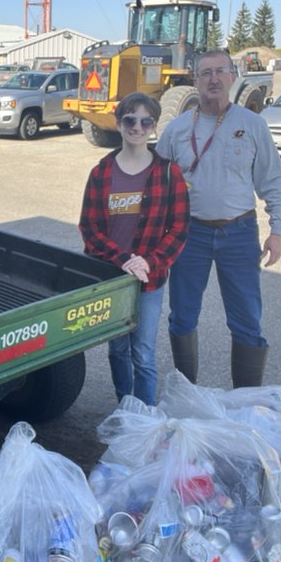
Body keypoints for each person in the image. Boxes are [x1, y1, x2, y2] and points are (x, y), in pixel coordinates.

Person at [155, 50, 281, 388]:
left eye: (220, 71)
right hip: (189, 234)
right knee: (182, 317)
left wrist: (278, 230)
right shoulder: (176, 129)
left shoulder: (252, 124)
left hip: (240, 232)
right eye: (205, 73)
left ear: (233, 76)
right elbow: (155, 184)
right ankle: (187, 393)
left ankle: (246, 401)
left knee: (246, 321)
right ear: (194, 80)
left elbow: (272, 179)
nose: (213, 79)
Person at [79, 92, 189, 405]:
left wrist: (149, 263)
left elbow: (179, 228)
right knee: (117, 350)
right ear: (119, 123)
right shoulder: (101, 173)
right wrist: (124, 259)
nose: (137, 127)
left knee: (143, 353)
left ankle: (145, 417)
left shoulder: (168, 174)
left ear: (153, 126)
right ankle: (125, 408)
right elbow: (89, 229)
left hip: (149, 281)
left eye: (145, 121)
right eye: (130, 120)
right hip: (112, 279)